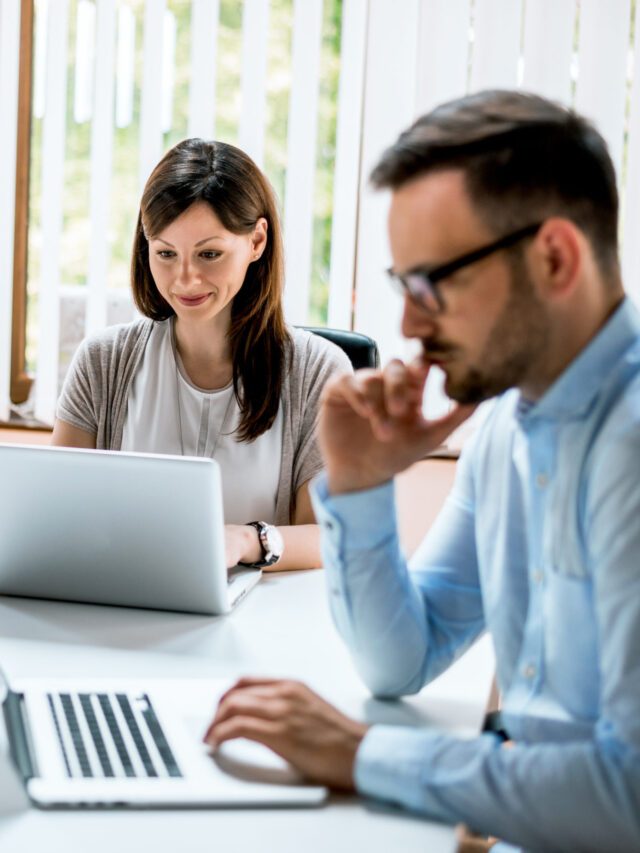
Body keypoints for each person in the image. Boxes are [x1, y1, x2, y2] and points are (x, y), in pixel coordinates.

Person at [204, 91, 640, 851]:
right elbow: (398, 660)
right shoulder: (507, 426)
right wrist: (363, 484)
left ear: (556, 259)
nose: (406, 323)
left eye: (430, 283)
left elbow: (628, 793)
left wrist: (359, 752)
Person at [52, 138, 351, 571]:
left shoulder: (319, 372)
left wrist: (246, 541)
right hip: (125, 605)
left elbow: (329, 537)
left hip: (258, 618)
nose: (185, 279)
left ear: (256, 241)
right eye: (166, 254)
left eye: (209, 253)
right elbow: (56, 513)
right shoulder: (103, 361)